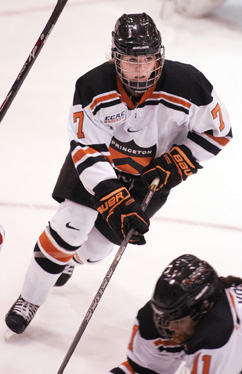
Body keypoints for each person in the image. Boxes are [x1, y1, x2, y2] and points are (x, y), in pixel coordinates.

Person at [5, 13, 232, 334]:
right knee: (71, 225)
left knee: (95, 250)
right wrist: (111, 196)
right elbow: (85, 148)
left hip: (150, 179)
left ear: (159, 56)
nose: (139, 68)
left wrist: (180, 161)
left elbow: (218, 133)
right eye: (130, 60)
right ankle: (29, 299)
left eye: (147, 59)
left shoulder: (190, 85)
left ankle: (68, 261)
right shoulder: (91, 86)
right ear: (115, 59)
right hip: (99, 168)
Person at [109, 254, 242, 374]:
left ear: (204, 308)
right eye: (165, 319)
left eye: (179, 322)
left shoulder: (219, 336)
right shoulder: (160, 316)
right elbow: (141, 371)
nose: (171, 328)